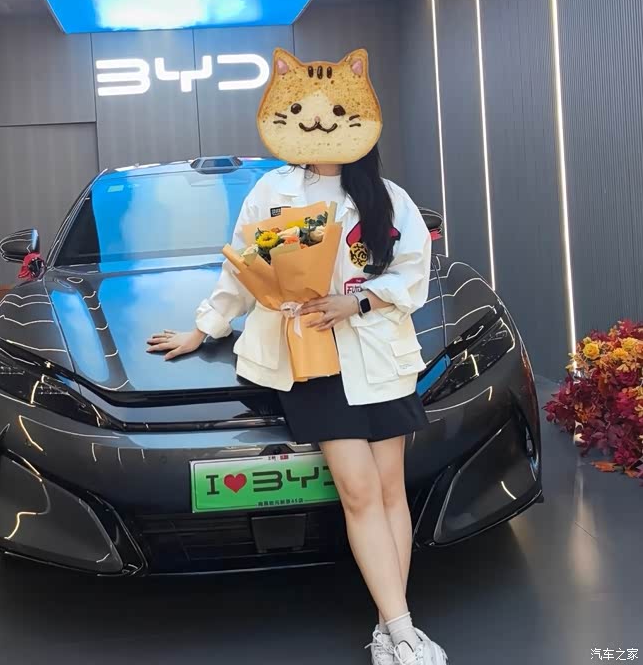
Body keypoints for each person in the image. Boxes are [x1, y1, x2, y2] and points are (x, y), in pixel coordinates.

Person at [146, 48, 447, 665]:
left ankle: (391, 627)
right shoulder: (273, 190)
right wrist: (204, 328)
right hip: (311, 358)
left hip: (379, 356)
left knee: (391, 490)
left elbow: (412, 275)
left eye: (335, 113)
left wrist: (354, 302)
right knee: (359, 491)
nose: (320, 125)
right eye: (306, 114)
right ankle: (402, 629)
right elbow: (243, 266)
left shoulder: (387, 198)